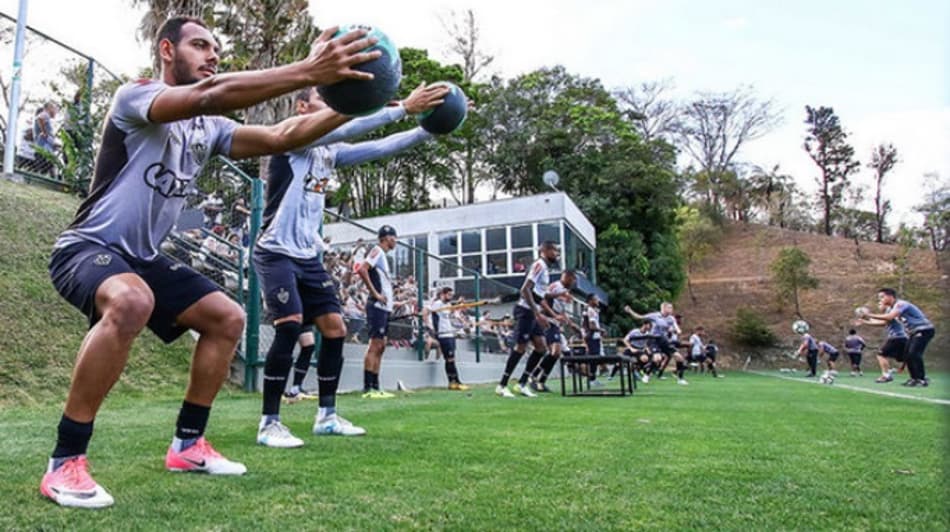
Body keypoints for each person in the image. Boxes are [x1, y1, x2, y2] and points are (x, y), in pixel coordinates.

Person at [42, 16, 380, 508]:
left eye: (215, 50)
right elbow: (210, 94)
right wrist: (310, 70)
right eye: (199, 45)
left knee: (228, 318)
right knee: (133, 301)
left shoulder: (211, 129)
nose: (212, 56)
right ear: (165, 50)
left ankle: (188, 444)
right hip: (87, 245)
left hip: (143, 256)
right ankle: (64, 462)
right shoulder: (137, 97)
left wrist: (352, 105)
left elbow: (282, 136)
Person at [253, 84, 447, 443]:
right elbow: (346, 126)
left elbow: (377, 146)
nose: (332, 108)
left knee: (335, 329)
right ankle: (269, 423)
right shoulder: (293, 139)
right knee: (290, 326)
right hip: (275, 250)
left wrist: (425, 129)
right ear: (301, 107)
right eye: (325, 101)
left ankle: (326, 416)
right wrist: (401, 107)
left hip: (308, 256)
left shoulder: (329, 152)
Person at [495, 241, 560, 398]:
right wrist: (537, 314)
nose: (557, 254)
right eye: (555, 251)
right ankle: (502, 385)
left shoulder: (545, 268)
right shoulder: (539, 265)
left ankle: (522, 384)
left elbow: (539, 296)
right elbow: (525, 290)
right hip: (525, 311)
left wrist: (546, 313)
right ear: (545, 250)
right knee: (520, 347)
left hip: (533, 312)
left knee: (541, 347)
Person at [859, 288, 934, 386]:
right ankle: (914, 379)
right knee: (908, 355)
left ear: (890, 296)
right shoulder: (892, 308)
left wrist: (869, 314)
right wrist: (866, 320)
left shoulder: (901, 304)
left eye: (882, 297)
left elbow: (889, 317)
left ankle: (921, 379)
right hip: (913, 332)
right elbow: (885, 321)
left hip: (924, 329)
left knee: (914, 354)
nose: (880, 300)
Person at [357, 225, 400, 398]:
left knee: (381, 346)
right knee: (375, 345)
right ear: (385, 238)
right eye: (393, 237)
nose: (395, 240)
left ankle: (376, 385)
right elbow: (362, 269)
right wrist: (375, 294)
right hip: (377, 306)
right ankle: (368, 387)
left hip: (384, 308)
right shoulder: (377, 250)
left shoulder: (383, 256)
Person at [529, 269, 579, 392]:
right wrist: (553, 315)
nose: (573, 282)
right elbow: (543, 300)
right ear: (567, 277)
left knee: (555, 354)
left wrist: (571, 324)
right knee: (554, 352)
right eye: (573, 279)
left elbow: (562, 311)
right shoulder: (556, 286)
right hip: (547, 322)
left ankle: (541, 381)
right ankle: (533, 376)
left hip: (555, 324)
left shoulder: (566, 292)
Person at [623, 302, 689, 385]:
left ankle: (680, 379)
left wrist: (677, 331)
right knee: (657, 359)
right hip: (654, 339)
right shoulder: (655, 316)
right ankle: (647, 375)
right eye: (669, 308)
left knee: (679, 357)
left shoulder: (671, 318)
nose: (671, 310)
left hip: (663, 340)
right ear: (663, 308)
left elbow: (676, 328)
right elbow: (639, 317)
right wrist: (630, 311)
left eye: (671, 308)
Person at [425, 287, 472, 390]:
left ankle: (452, 382)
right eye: (449, 295)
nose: (451, 297)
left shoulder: (448, 305)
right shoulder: (437, 304)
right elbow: (425, 312)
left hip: (449, 334)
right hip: (443, 336)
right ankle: (455, 382)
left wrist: (464, 322)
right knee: (450, 359)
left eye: (452, 295)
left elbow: (453, 314)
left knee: (451, 360)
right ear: (443, 294)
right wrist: (429, 326)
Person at [854, 297, 908, 383]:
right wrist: (865, 321)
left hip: (897, 337)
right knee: (904, 358)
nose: (879, 305)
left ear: (885, 304)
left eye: (880, 303)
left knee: (881, 355)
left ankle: (886, 376)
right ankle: (919, 376)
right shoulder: (890, 311)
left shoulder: (889, 311)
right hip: (901, 337)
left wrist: (867, 319)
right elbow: (882, 322)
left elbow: (882, 322)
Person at [583, 294, 606, 387]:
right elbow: (591, 326)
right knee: (593, 358)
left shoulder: (593, 311)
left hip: (594, 337)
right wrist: (601, 330)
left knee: (595, 358)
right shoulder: (590, 310)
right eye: (596, 299)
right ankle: (591, 379)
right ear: (590, 301)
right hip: (591, 337)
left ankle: (593, 378)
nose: (598, 301)